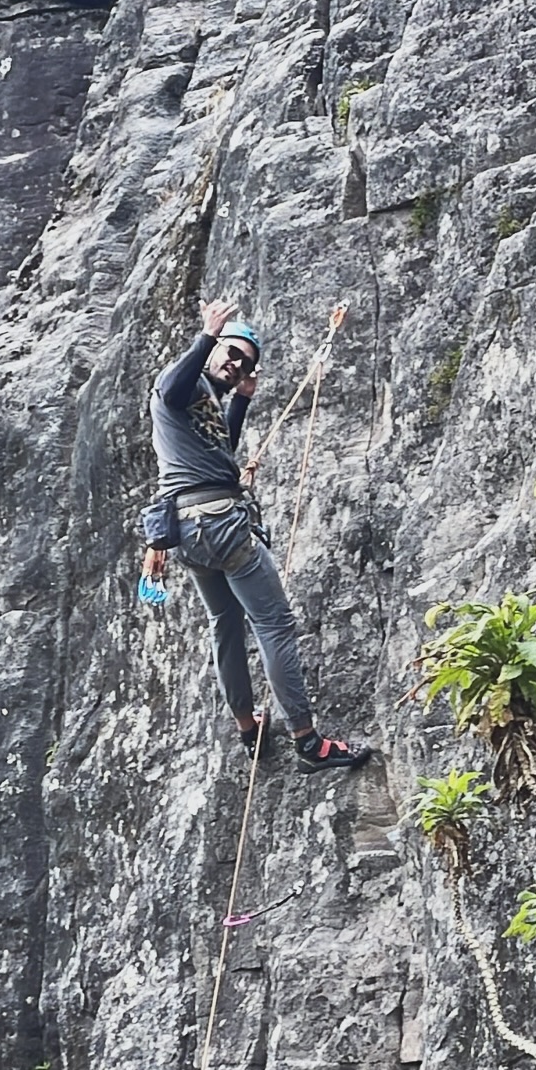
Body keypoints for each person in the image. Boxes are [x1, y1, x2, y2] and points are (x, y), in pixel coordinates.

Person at [144, 297, 372, 772]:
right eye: (231, 352)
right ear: (213, 349)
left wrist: (242, 399)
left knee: (225, 624)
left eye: (244, 362)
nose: (234, 363)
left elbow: (218, 447)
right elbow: (173, 387)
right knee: (273, 625)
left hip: (190, 531)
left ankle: (249, 728)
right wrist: (207, 334)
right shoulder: (178, 384)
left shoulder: (203, 400)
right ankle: (308, 741)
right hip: (220, 524)